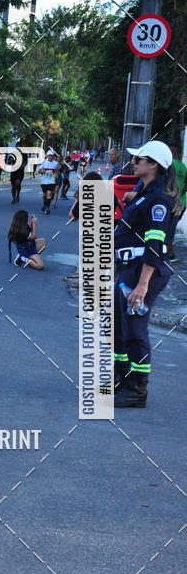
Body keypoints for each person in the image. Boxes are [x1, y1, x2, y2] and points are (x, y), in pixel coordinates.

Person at [113, 141, 175, 408]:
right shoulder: (144, 192)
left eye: (139, 159)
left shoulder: (158, 200)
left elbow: (154, 245)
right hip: (129, 268)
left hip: (143, 271)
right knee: (118, 327)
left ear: (153, 165)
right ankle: (120, 379)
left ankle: (137, 390)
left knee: (135, 330)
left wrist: (142, 285)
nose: (134, 162)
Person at [169, 144, 186, 262]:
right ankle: (169, 252)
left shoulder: (170, 163)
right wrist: (179, 194)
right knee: (171, 227)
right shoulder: (183, 166)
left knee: (167, 228)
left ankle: (170, 254)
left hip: (172, 201)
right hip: (182, 202)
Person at [39, 149, 59, 214]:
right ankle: (44, 204)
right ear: (47, 156)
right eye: (49, 155)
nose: (50, 157)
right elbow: (39, 170)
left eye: (51, 155)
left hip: (51, 181)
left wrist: (56, 174)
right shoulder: (44, 162)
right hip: (44, 181)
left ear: (53, 156)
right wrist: (41, 171)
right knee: (44, 195)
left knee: (49, 194)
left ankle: (47, 208)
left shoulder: (56, 163)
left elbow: (57, 171)